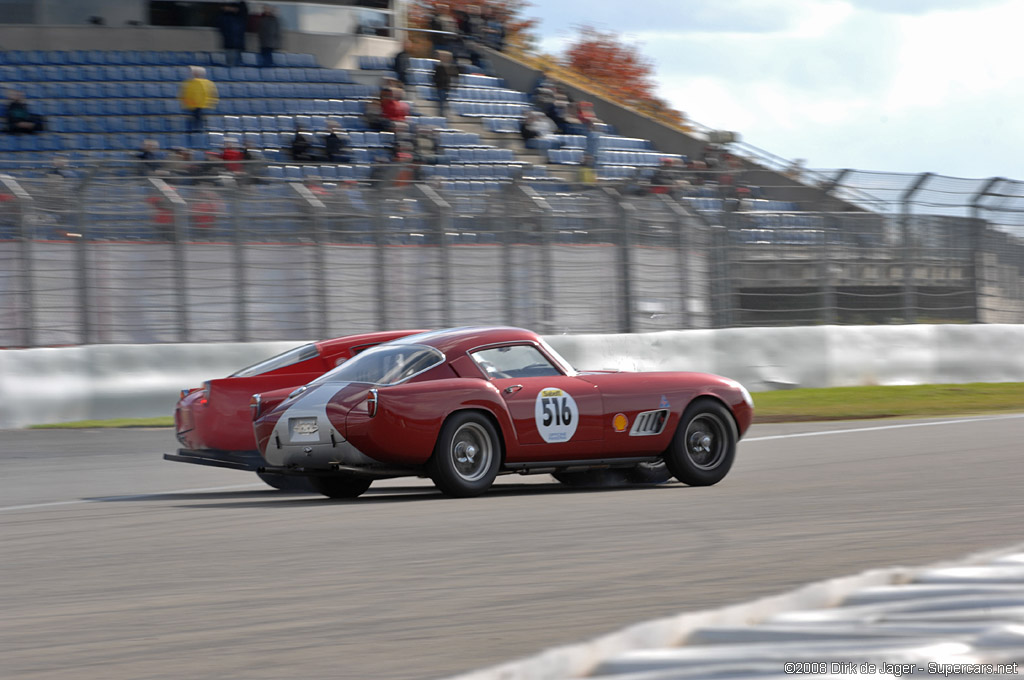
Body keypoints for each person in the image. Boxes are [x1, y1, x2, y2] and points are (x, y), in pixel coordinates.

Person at [179, 66, 219, 135]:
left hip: (201, 107)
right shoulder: (190, 83)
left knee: (198, 124)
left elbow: (211, 95)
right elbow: (185, 95)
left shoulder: (205, 83)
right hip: (192, 107)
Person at [218, 2, 248, 67]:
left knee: (238, 65)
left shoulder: (240, 18)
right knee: (231, 65)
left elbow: (244, 11)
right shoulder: (224, 18)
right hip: (230, 45)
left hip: (239, 45)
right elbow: (220, 24)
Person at [432, 51, 458, 117]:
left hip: (447, 87)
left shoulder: (451, 67)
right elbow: (435, 76)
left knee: (444, 101)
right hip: (440, 87)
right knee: (441, 101)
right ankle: (441, 114)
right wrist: (437, 84)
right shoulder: (439, 67)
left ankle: (443, 113)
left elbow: (455, 75)